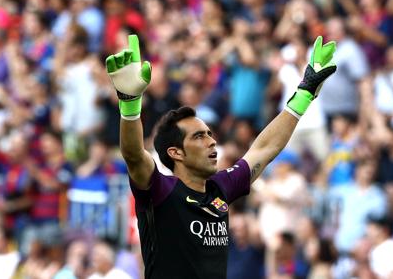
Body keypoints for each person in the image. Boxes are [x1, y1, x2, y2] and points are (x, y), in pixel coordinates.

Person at [104, 34, 337, 278]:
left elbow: (264, 149)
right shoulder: (160, 191)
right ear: (176, 153)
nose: (211, 141)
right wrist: (130, 105)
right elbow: (133, 154)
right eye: (198, 137)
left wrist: (305, 91)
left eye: (209, 134)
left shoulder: (220, 188)